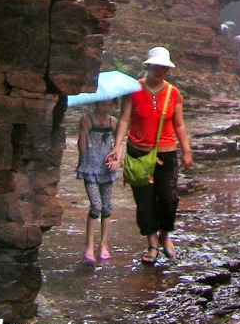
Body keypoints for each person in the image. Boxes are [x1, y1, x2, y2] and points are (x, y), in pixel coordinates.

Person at [105, 46, 192, 265]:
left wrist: (186, 151)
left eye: (164, 67)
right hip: (138, 153)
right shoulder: (133, 89)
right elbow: (124, 119)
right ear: (149, 65)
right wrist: (118, 147)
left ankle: (165, 236)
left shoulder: (173, 93)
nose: (160, 70)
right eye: (156, 66)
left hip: (167, 154)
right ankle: (152, 244)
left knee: (169, 199)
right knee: (144, 202)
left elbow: (179, 125)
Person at [76, 98, 118, 265]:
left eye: (110, 105)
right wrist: (83, 130)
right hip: (90, 168)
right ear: (96, 104)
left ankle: (104, 244)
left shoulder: (113, 121)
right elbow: (81, 148)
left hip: (107, 169)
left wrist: (116, 159)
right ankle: (89, 246)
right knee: (96, 205)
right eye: (102, 104)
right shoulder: (88, 119)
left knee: (106, 207)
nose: (105, 108)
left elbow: (118, 144)